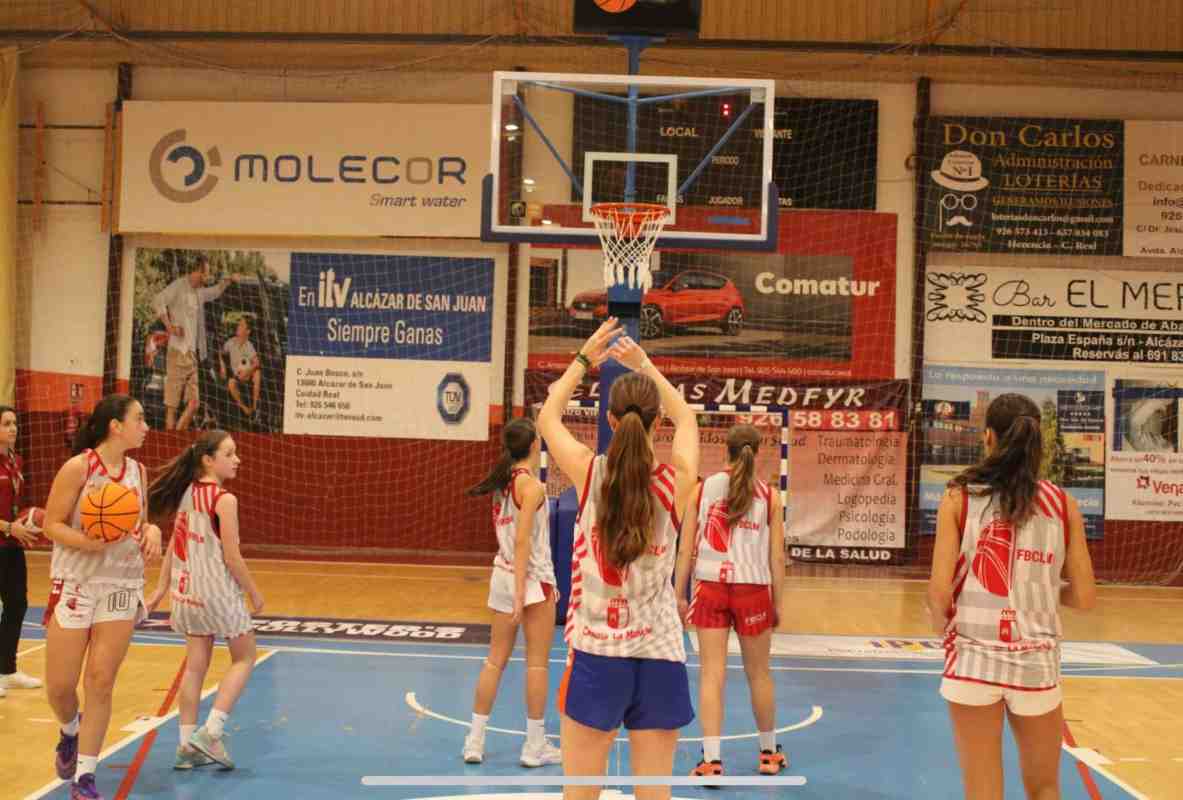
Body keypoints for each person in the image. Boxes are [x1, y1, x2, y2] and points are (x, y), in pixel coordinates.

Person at [537, 318, 700, 800]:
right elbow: (689, 418)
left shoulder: (590, 474)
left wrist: (585, 358)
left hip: (597, 655)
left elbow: (548, 418)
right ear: (656, 423)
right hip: (659, 656)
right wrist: (644, 364)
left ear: (609, 421)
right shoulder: (676, 483)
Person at [928, 393, 1097, 800]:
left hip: (973, 658)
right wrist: (1040, 591)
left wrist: (945, 633)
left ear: (988, 437)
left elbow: (937, 593)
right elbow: (1086, 596)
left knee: (983, 791)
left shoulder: (960, 497)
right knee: (1043, 787)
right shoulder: (1063, 503)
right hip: (1035, 662)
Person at [42, 394, 163, 800]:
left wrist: (153, 533)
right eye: (140, 419)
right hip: (76, 579)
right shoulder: (79, 468)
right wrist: (85, 542)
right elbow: (51, 524)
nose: (146, 426)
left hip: (121, 583)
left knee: (100, 680)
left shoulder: (138, 472)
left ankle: (86, 777)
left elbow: (138, 523)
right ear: (116, 425)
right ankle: (69, 730)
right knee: (60, 687)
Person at [146, 430, 263, 771]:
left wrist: (161, 588)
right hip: (218, 593)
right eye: (230, 453)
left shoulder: (185, 494)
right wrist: (254, 592)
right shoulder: (224, 500)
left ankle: (185, 748)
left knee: (195, 665)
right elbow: (232, 556)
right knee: (244, 658)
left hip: (186, 593)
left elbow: (172, 545)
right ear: (209, 460)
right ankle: (211, 731)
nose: (237, 459)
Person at [674, 423, 786, 779]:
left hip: (709, 587)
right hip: (753, 591)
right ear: (758, 452)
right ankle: (769, 754)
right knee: (759, 675)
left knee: (712, 675)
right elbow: (777, 558)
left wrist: (678, 593)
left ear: (726, 450)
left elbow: (686, 548)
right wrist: (777, 603)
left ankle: (711, 760)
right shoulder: (770, 495)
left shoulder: (702, 490)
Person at [461, 416, 561, 768]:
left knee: (494, 661)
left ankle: (474, 740)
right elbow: (522, 543)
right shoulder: (532, 487)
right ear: (535, 445)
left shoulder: (503, 483)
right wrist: (522, 593)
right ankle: (534, 746)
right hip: (528, 580)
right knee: (537, 665)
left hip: (502, 574)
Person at [151, 256, 239, 431]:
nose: (205, 279)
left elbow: (215, 291)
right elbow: (158, 301)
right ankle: (171, 441)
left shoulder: (199, 292)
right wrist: (170, 327)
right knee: (172, 407)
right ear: (196, 271)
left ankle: (176, 435)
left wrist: (228, 281)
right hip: (177, 353)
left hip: (192, 356)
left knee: (194, 404)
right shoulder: (179, 286)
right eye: (204, 274)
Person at [0, 405, 43, 698]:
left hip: (11, 545)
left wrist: (26, 523)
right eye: (6, 423)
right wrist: (7, 527)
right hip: (4, 537)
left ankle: (7, 669)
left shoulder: (17, 461)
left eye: (14, 423)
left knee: (17, 604)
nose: (13, 428)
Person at [219, 318, 262, 421]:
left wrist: (247, 371)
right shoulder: (230, 342)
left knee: (257, 373)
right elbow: (220, 352)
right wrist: (222, 366)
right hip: (236, 376)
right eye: (238, 324)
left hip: (246, 373)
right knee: (231, 383)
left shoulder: (249, 345)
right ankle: (245, 409)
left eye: (241, 325)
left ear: (247, 331)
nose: (238, 327)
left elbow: (257, 362)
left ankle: (256, 409)